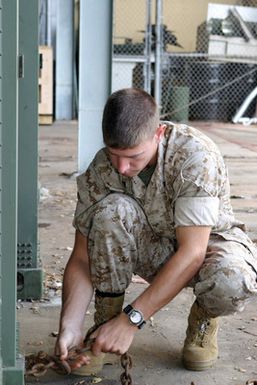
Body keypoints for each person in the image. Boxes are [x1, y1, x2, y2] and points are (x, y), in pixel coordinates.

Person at [55, 88, 257, 374]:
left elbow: (193, 253)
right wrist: (69, 325)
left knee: (233, 279)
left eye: (133, 156)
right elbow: (81, 258)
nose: (122, 167)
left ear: (158, 133)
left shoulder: (194, 155)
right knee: (110, 212)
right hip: (152, 247)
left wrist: (131, 321)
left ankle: (204, 318)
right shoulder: (101, 169)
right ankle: (105, 325)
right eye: (114, 155)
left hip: (207, 246)